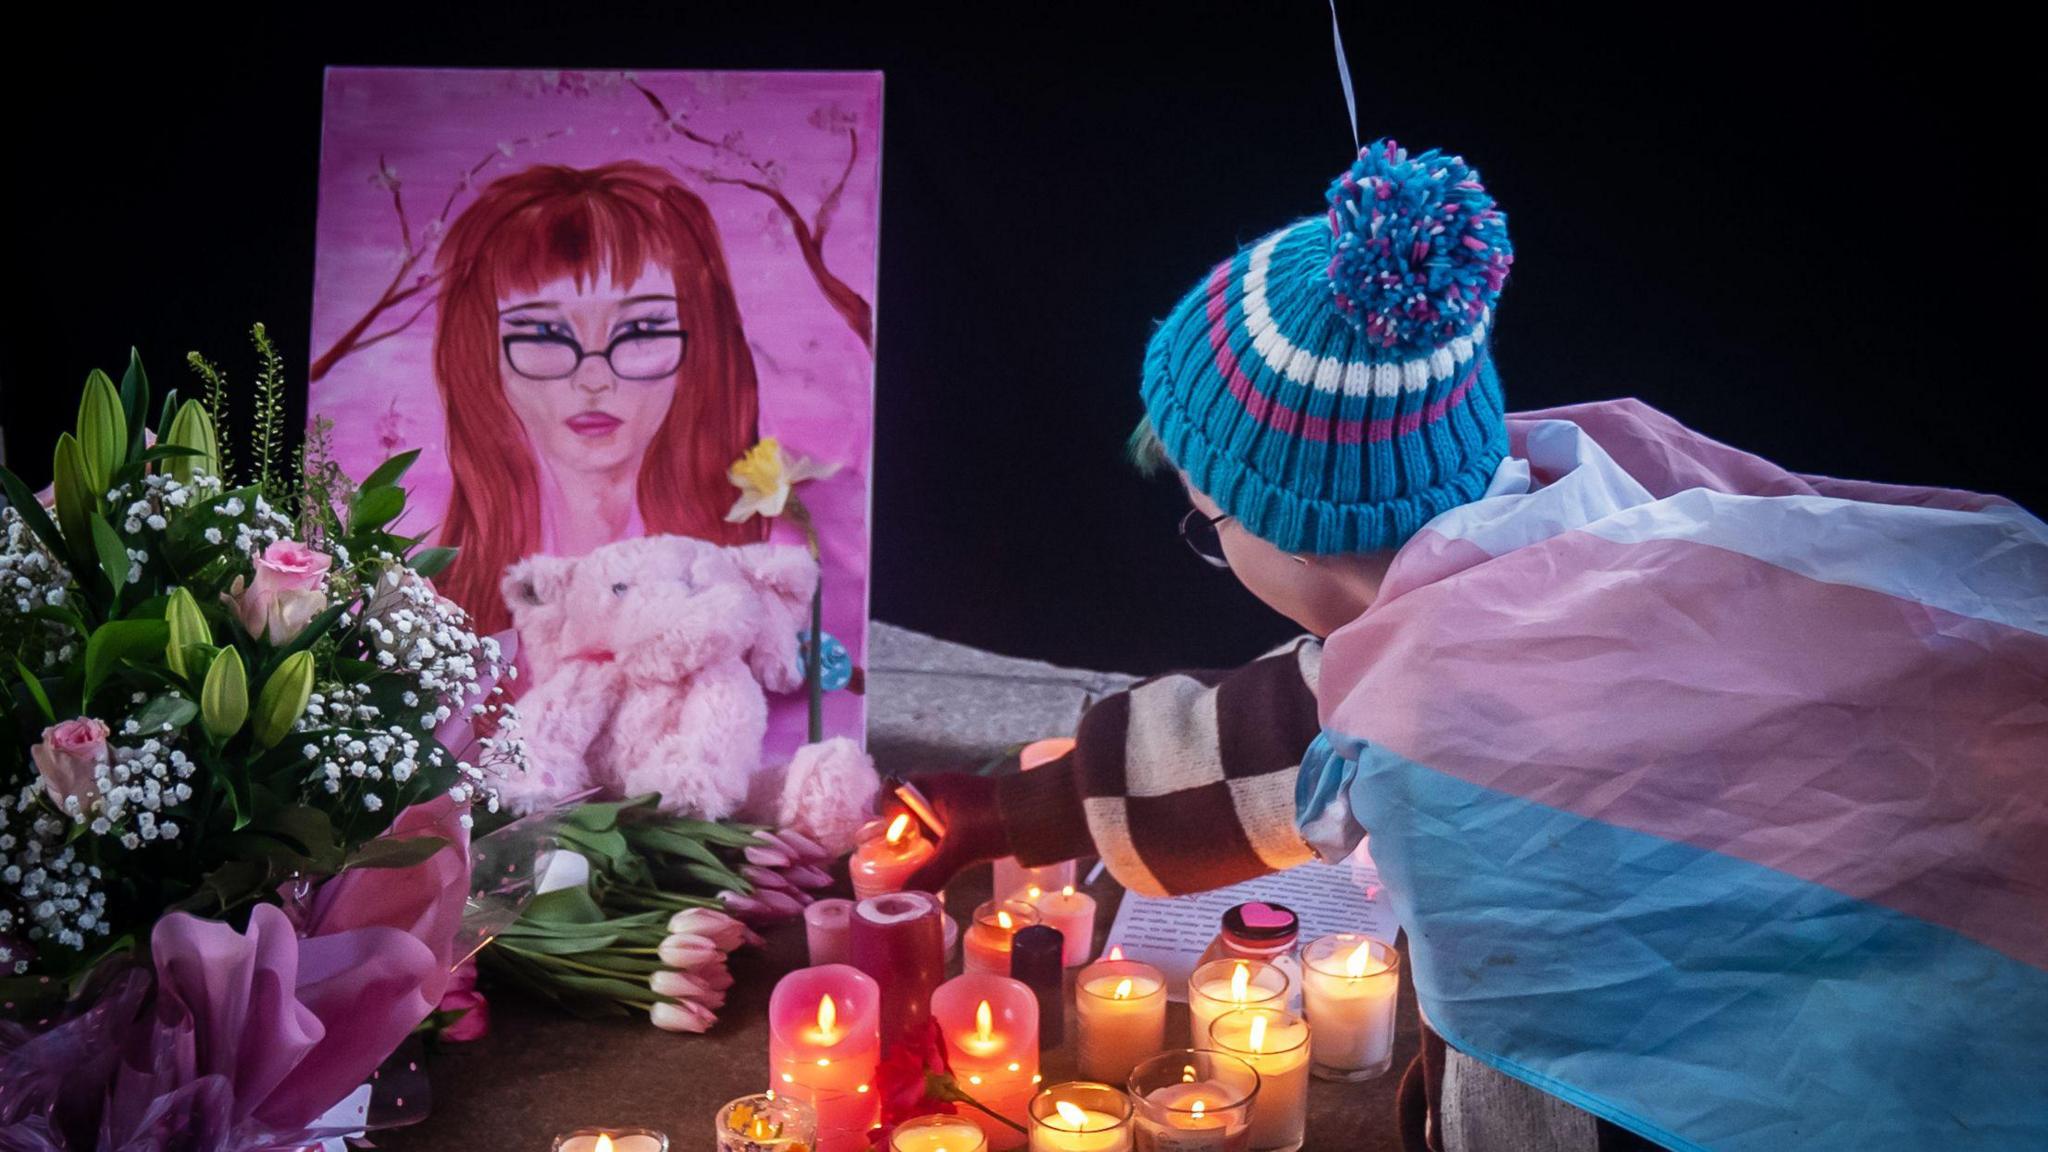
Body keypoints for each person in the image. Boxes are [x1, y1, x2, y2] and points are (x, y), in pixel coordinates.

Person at [897, 140, 2048, 1152]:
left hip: (1648, 1093)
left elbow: (1533, 1045)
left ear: (1302, 534)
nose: (1210, 540)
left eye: (1211, 521)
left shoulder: (1448, 701)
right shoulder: (1566, 505)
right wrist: (1009, 812)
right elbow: (1276, 732)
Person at [432, 161, 767, 636]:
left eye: (641, 330)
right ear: (483, 356)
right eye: (546, 333)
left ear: (700, 346)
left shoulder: (748, 574)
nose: (594, 378)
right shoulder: (432, 593)